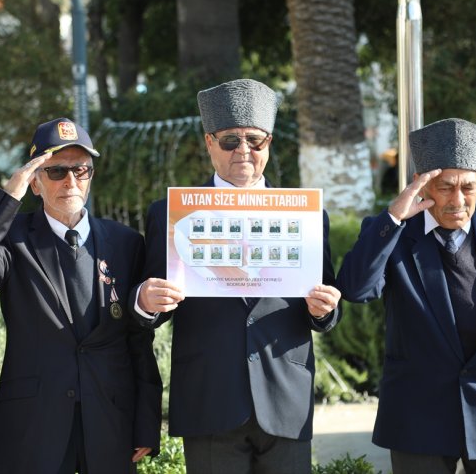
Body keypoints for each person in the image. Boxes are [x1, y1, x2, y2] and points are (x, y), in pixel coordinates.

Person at [131, 78, 341, 474]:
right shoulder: (170, 214)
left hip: (285, 398)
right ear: (209, 142)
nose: (243, 150)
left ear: (269, 144)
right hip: (210, 397)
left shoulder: (306, 217)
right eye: (230, 140)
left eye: (255, 140)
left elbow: (326, 305)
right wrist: (145, 301)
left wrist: (324, 310)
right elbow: (152, 307)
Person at [337, 118, 476, 473]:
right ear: (422, 186)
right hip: (418, 419)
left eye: (468, 188)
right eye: (445, 187)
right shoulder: (393, 235)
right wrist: (394, 216)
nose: (458, 200)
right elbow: (355, 288)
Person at [0, 117, 161, 474]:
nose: (70, 181)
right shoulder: (12, 238)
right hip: (32, 426)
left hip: (108, 421)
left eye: (81, 170)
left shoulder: (125, 242)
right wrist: (8, 197)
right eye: (56, 171)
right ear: (34, 182)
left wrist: (146, 422)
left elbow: (137, 339)